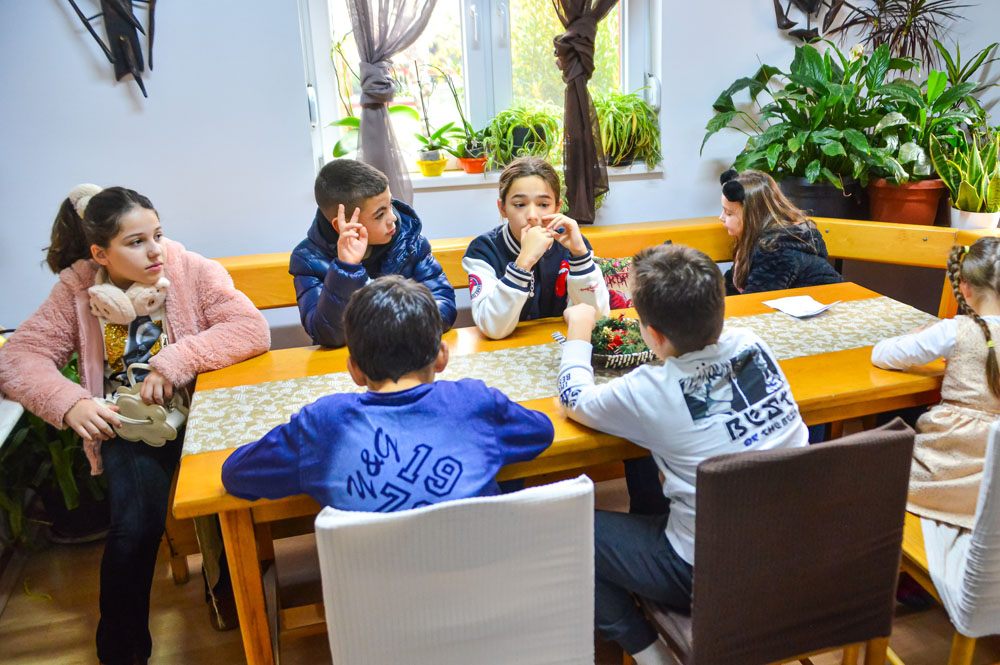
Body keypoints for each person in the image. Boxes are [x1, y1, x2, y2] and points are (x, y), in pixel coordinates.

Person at [0, 185, 270, 665]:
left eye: (157, 235)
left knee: (230, 496)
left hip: (205, 415)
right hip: (130, 425)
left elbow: (250, 329)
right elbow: (18, 358)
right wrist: (70, 403)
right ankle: (122, 654)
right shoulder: (77, 289)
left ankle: (234, 598)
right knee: (134, 527)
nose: (154, 251)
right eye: (136, 242)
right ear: (100, 254)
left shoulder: (191, 269)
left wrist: (176, 361)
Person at [557, 244, 809, 665]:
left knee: (566, 529)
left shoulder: (649, 390)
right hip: (800, 551)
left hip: (710, 573)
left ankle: (654, 657)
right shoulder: (752, 343)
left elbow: (573, 399)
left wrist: (579, 330)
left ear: (653, 335)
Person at [221, 275, 554, 510]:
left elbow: (235, 474)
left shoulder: (322, 424)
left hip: (375, 591)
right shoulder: (475, 401)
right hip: (483, 583)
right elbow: (542, 432)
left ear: (354, 370)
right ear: (442, 356)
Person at [872, 238, 1000, 529]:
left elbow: (883, 355)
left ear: (965, 288)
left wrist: (915, 335)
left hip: (948, 463)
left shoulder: (954, 330)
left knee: (891, 451)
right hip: (991, 477)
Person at [290, 159, 456, 348]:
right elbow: (328, 336)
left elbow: (444, 306)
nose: (393, 218)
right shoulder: (308, 260)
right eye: (379, 215)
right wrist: (347, 269)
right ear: (344, 225)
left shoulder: (410, 241)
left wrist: (388, 329)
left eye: (390, 204)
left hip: (405, 351)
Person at [462, 156, 610, 340]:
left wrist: (581, 256)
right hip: (507, 348)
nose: (532, 215)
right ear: (502, 208)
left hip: (563, 345)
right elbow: (493, 328)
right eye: (519, 205)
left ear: (557, 207)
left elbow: (597, 319)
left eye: (543, 205)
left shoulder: (571, 245)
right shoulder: (484, 250)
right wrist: (523, 263)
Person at [719, 168, 843, 296]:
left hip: (833, 303)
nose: (721, 217)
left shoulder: (775, 250)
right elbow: (731, 285)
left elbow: (757, 299)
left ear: (752, 217)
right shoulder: (754, 243)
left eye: (728, 213)